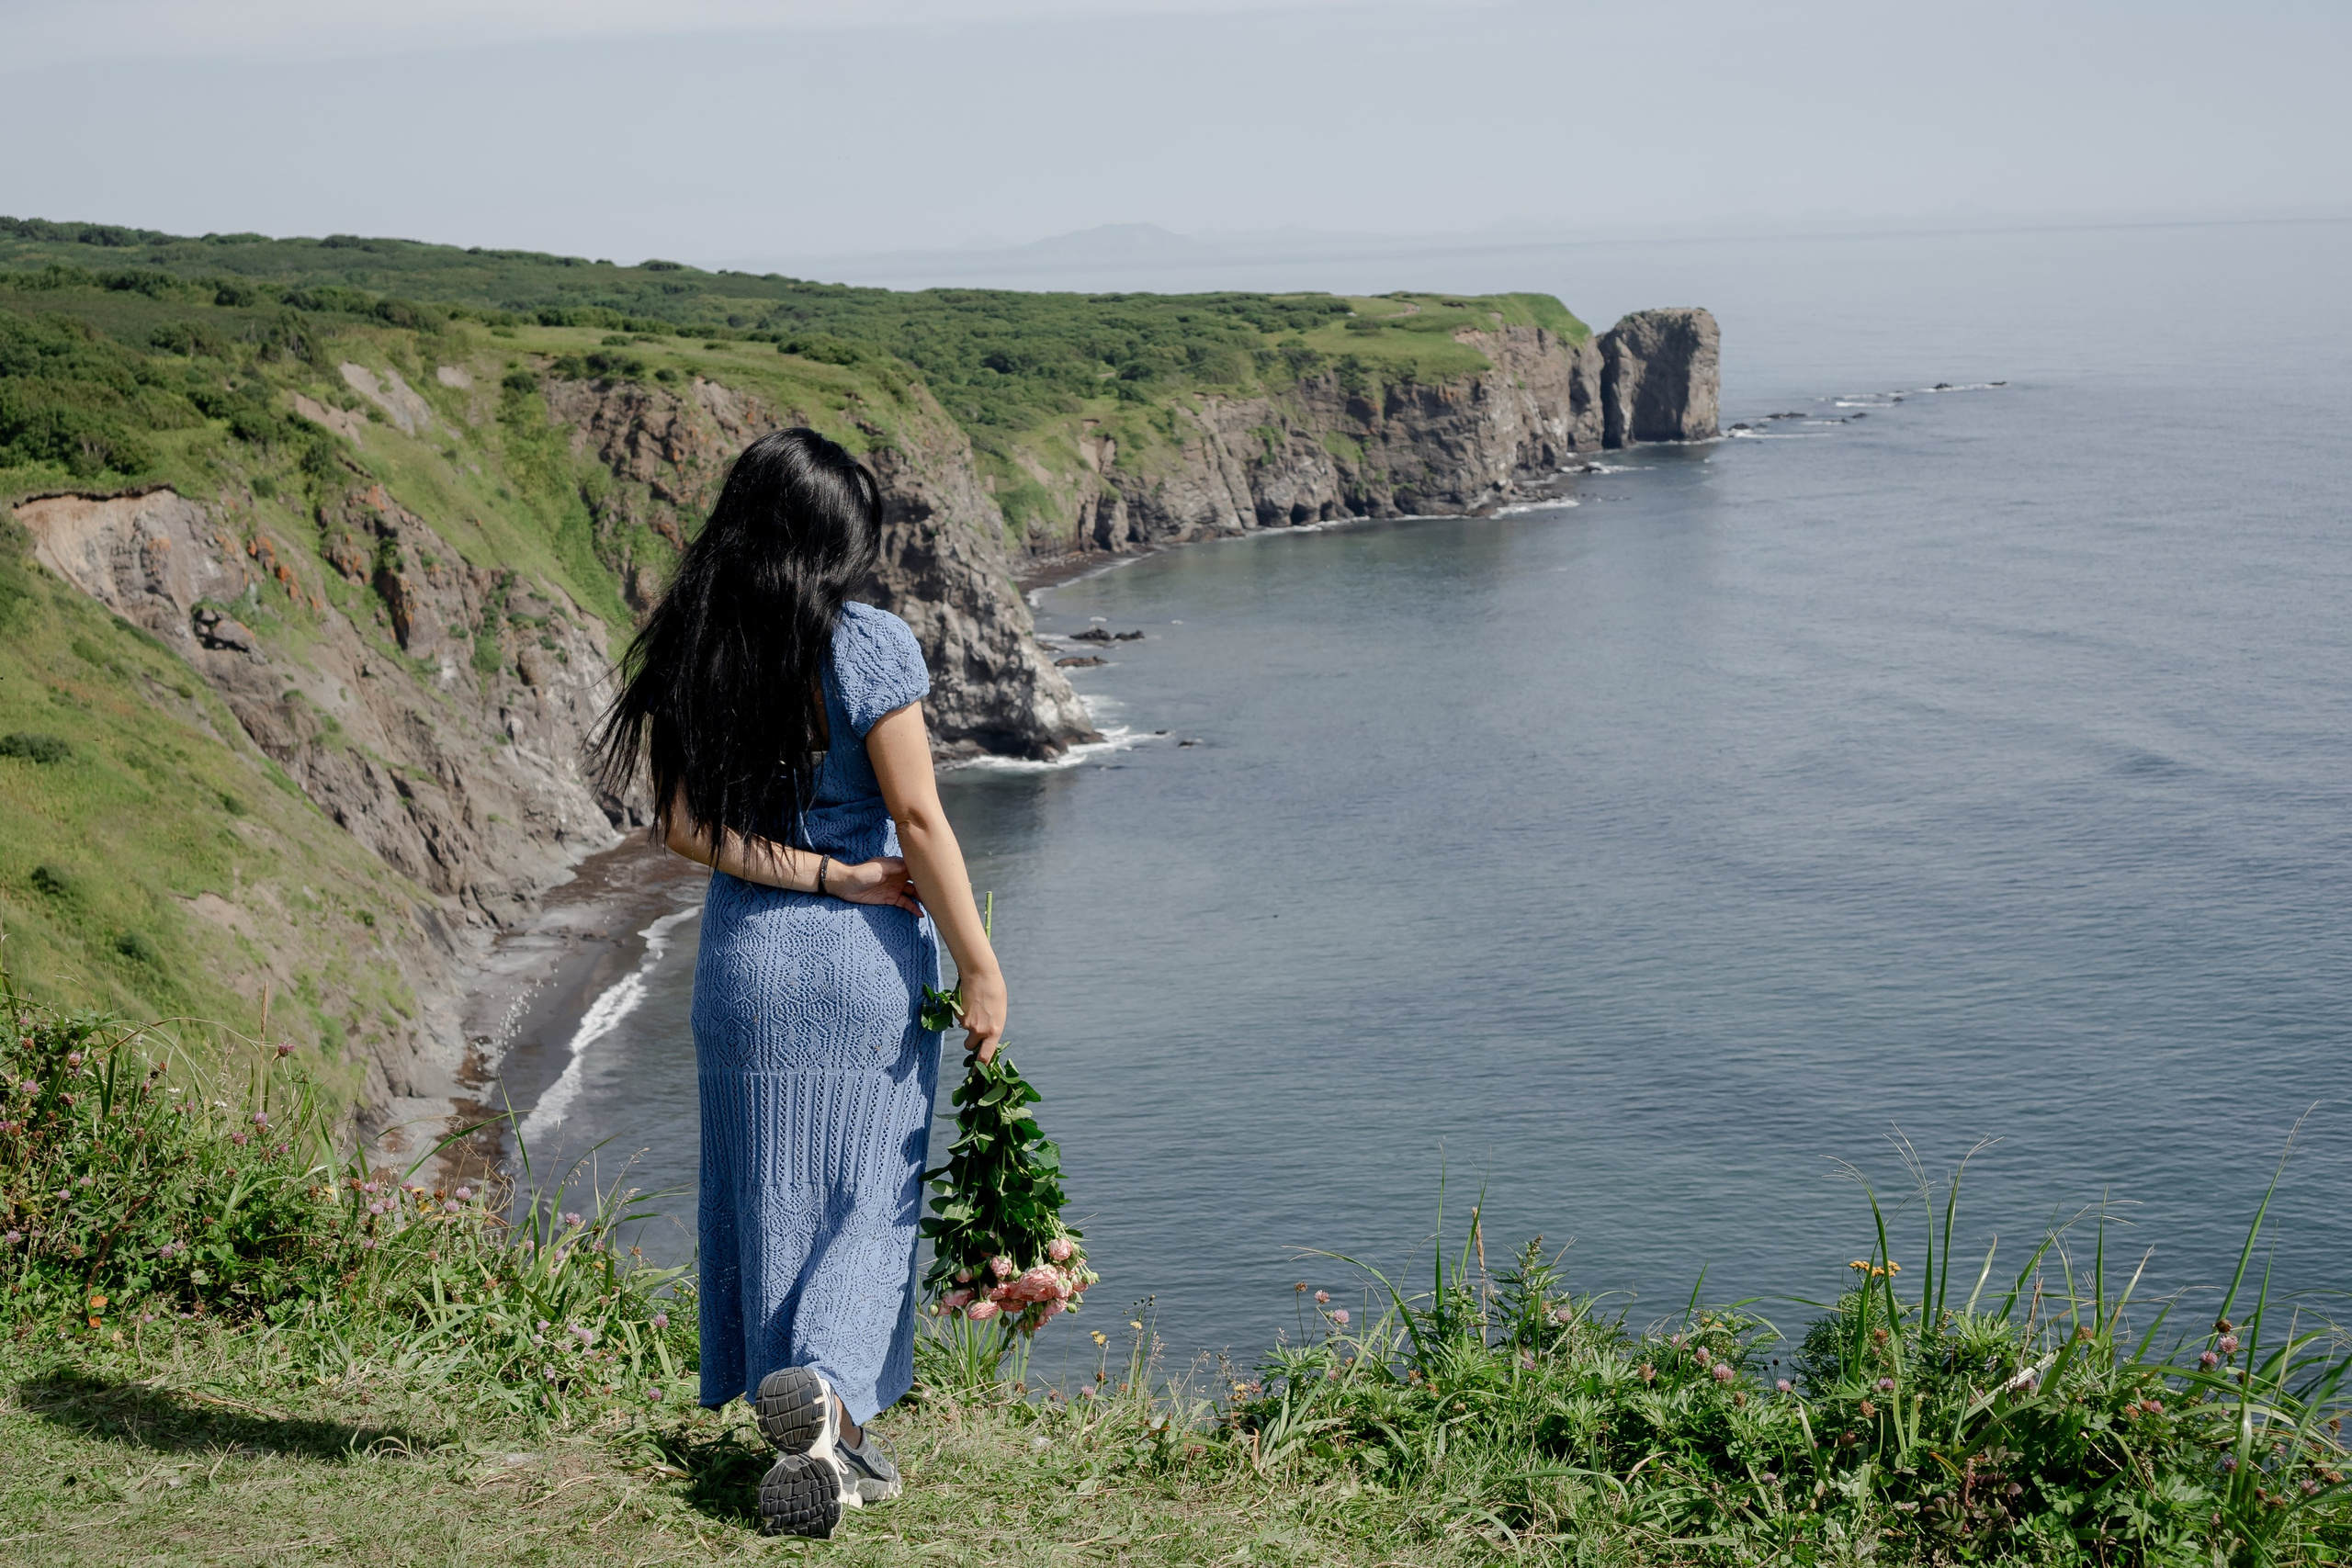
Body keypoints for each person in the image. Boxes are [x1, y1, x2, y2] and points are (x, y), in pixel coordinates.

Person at [592, 427, 1007, 1539]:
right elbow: (917, 819)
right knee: (869, 1198)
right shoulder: (867, 643)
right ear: (829, 543)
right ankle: (824, 1385)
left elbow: (682, 827)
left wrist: (814, 873)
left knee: (772, 1195)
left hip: (743, 968)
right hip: (860, 968)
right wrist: (979, 964)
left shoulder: (690, 643)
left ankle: (830, 1441)